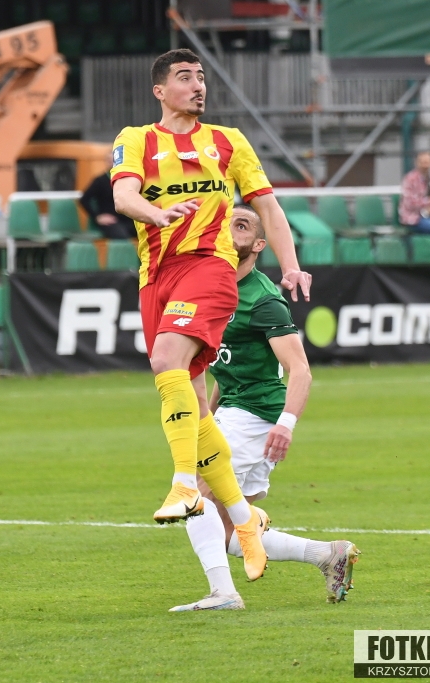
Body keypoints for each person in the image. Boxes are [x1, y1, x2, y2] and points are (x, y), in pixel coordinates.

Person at [111, 48, 311, 584]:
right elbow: (124, 196)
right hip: (156, 275)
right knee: (197, 407)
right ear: (160, 90)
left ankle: (183, 483)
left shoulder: (228, 141)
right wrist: (156, 213)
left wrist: (291, 265)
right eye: (185, 77)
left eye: (202, 77)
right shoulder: (137, 139)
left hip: (208, 266)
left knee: (165, 360)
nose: (198, 85)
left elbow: (268, 207)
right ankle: (245, 522)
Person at [171, 205, 360, 612]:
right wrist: (206, 419)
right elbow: (225, 368)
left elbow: (300, 370)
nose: (229, 229)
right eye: (225, 223)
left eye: (241, 225)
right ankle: (327, 554)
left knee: (197, 497)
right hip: (235, 412)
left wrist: (286, 425)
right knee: (228, 530)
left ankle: (223, 594)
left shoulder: (263, 299)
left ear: (259, 245)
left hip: (256, 416)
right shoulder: (213, 290)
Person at [80, 166, 136, 239]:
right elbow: (84, 199)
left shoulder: (131, 179)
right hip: (111, 222)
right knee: (121, 236)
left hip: (130, 219)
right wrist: (97, 216)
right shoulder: (100, 180)